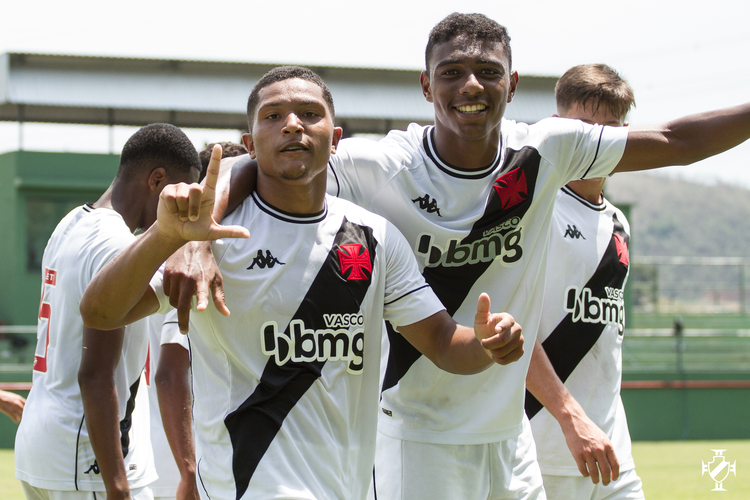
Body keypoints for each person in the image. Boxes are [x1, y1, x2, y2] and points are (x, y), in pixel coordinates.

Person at [167, 13, 750, 499]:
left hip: (512, 438)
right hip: (416, 439)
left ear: (511, 84)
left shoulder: (548, 149)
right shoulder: (381, 166)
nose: (471, 85)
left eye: (488, 72)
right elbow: (254, 163)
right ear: (427, 86)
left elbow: (676, 141)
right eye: (452, 73)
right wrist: (196, 238)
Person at [79, 66, 524, 500]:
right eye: (273, 116)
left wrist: (487, 344)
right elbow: (100, 312)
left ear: (336, 139)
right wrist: (165, 236)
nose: (292, 124)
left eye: (310, 114)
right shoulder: (212, 239)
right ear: (250, 145)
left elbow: (444, 343)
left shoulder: (375, 238)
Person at [15, 123, 201, 500]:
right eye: (179, 192)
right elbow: (96, 375)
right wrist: (116, 485)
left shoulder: (71, 223)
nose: (182, 207)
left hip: (43, 449)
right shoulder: (115, 245)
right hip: (87, 462)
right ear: (156, 180)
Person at [525, 63, 644, 499]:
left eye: (608, 131)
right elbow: (508, 322)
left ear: (624, 136)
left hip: (613, 455)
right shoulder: (534, 209)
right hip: (542, 454)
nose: (595, 142)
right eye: (583, 128)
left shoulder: (618, 223)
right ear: (557, 126)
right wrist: (569, 417)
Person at [147, 140, 250, 500]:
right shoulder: (197, 259)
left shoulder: (172, 249)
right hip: (186, 467)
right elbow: (169, 372)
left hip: (173, 458)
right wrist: (188, 470)